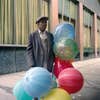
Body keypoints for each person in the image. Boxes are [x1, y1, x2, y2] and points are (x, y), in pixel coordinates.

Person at [26, 16, 55, 100]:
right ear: (38, 24)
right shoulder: (32, 35)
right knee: (36, 86)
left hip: (48, 65)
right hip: (37, 65)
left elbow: (53, 49)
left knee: (47, 84)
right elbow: (29, 50)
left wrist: (54, 61)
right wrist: (31, 64)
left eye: (45, 22)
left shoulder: (50, 35)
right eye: (42, 22)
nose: (44, 24)